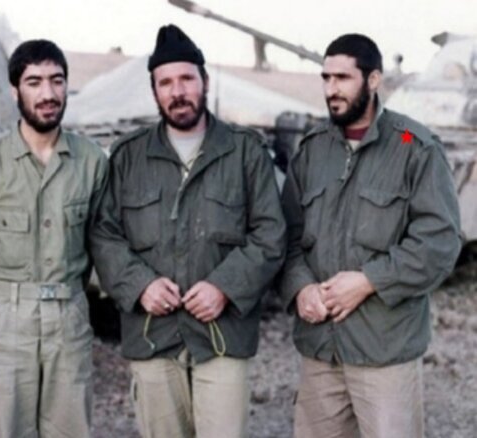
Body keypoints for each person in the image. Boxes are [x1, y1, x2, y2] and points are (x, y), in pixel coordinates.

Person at [90, 24, 286, 437]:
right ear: (154, 91)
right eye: (165, 83)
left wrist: (225, 287)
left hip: (222, 334)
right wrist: (141, 285)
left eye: (186, 79)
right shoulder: (128, 156)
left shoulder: (245, 151)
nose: (177, 92)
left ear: (205, 82)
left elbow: (270, 233)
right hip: (151, 333)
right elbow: (104, 235)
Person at [280, 34, 461, 437]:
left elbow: (439, 242)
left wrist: (369, 281)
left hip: (384, 351)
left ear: (374, 79)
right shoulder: (312, 150)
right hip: (320, 349)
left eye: (343, 78)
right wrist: (300, 288)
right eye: (326, 78)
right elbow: (286, 237)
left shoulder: (414, 146)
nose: (332, 89)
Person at [0, 39, 108, 437]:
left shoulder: (92, 161)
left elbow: (104, 243)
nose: (48, 93)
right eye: (34, 82)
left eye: (57, 81)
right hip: (2, 323)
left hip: (69, 320)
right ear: (14, 91)